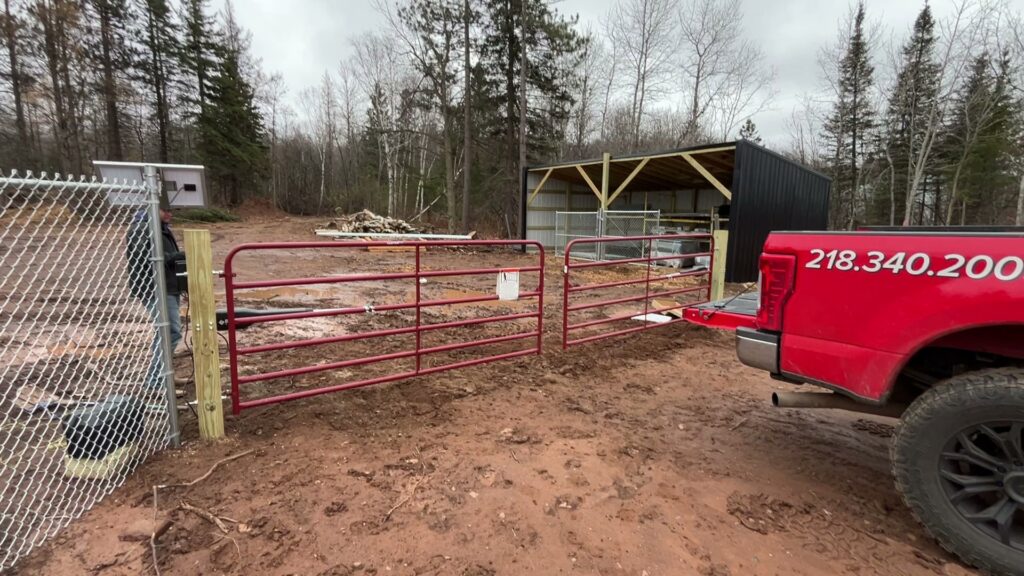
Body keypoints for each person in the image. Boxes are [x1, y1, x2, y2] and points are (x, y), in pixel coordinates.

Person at [126, 190, 187, 390]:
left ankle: (164, 377)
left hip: (167, 286)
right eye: (165, 209)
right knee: (170, 332)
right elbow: (146, 260)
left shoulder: (159, 227)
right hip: (155, 288)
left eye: (171, 209)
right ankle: (156, 381)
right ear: (152, 207)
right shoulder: (142, 228)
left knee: (168, 331)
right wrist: (178, 256)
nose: (170, 213)